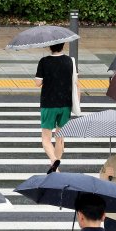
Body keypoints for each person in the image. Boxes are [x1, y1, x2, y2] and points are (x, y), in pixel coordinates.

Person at [35, 42, 78, 174]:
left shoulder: (44, 61)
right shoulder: (70, 61)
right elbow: (76, 82)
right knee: (60, 138)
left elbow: (38, 83)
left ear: (50, 47)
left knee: (46, 139)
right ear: (63, 45)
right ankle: (56, 169)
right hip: (65, 104)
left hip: (49, 104)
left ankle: (54, 161)